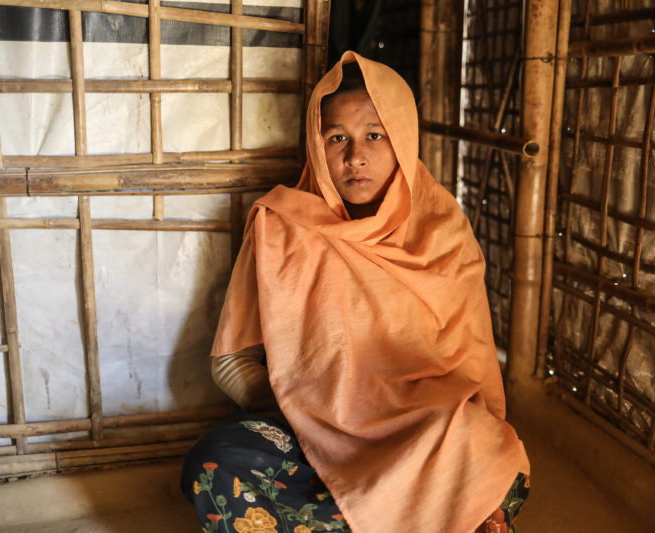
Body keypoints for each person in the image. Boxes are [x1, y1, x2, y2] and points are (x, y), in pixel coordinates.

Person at [182, 51, 530, 533]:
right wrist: (313, 414)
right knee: (214, 465)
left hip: (418, 436)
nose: (355, 155)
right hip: (308, 435)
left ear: (404, 140)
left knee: (485, 447)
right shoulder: (281, 226)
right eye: (337, 137)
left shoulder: (444, 234)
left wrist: (398, 424)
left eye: (375, 134)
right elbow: (230, 361)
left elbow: (469, 367)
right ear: (316, 144)